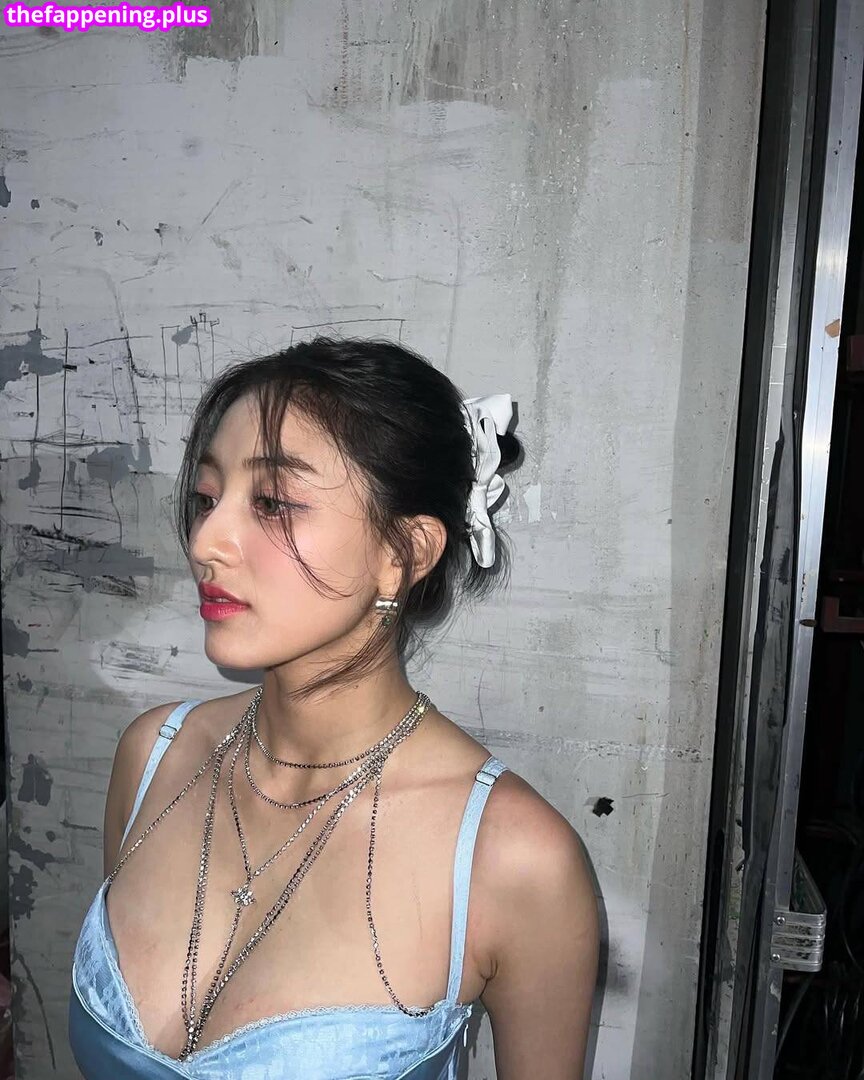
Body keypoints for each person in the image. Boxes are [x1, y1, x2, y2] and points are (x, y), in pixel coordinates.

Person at [68, 338, 599, 1080]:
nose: (205, 541)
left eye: (273, 503)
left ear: (404, 552)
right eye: (207, 498)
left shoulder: (513, 860)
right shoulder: (155, 756)